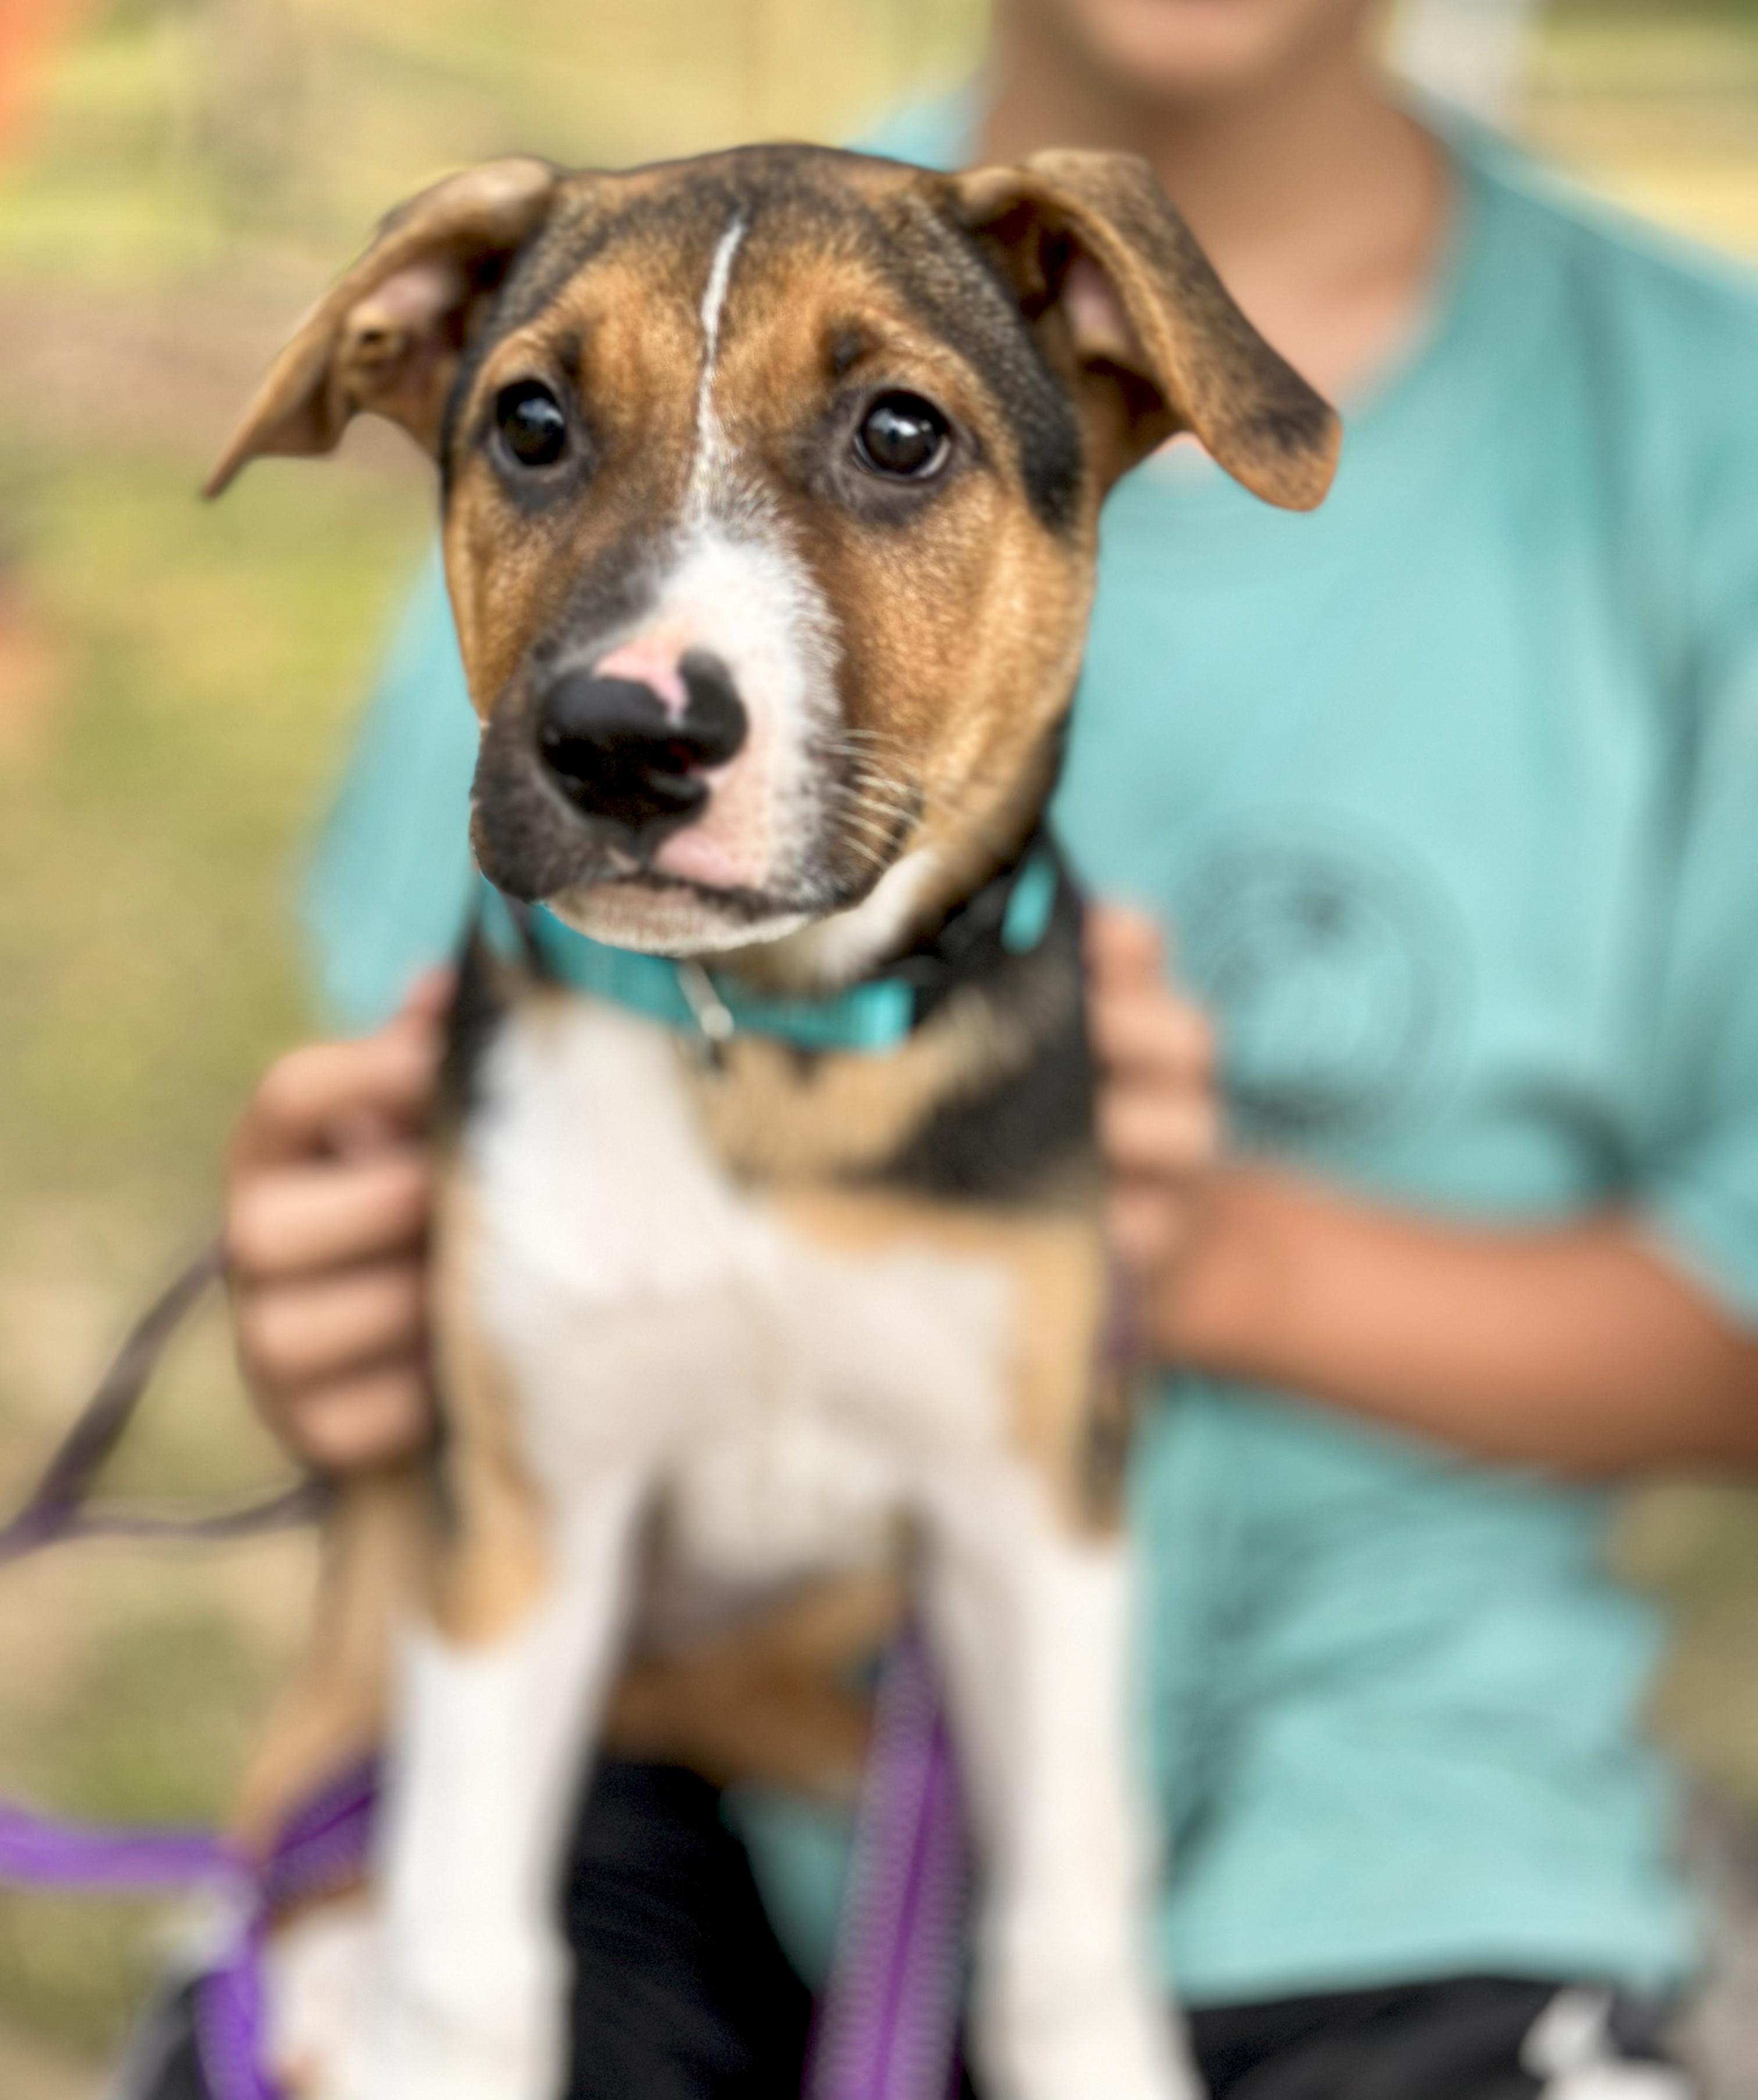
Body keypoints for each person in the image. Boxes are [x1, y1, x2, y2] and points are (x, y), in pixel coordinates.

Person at [209, 0, 1758, 2093]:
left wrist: (1180, 1250)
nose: (638, 676)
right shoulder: (601, 275)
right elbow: (447, 1410)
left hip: (1403, 1831)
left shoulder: (1692, 437)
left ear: (1127, 370)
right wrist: (340, 1297)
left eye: (900, 440)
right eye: (545, 437)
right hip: (653, 1801)